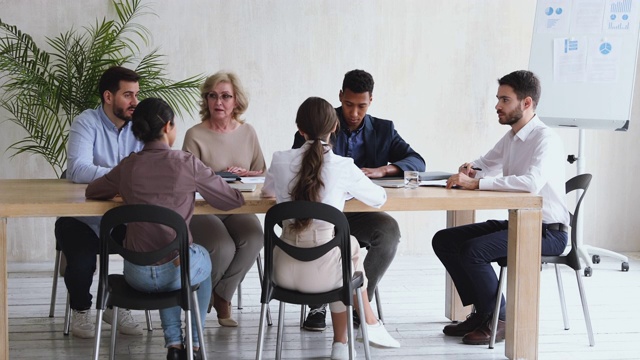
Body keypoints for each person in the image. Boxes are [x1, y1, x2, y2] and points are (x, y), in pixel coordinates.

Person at [86, 98, 245, 360]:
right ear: (168, 126)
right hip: (176, 272)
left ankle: (173, 344)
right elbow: (230, 201)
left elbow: (94, 190)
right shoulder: (186, 163)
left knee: (176, 258)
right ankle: (193, 344)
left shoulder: (129, 165)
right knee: (196, 259)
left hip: (135, 273)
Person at [432, 70, 569, 346]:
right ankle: (484, 312)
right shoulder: (511, 138)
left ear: (526, 103)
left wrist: (476, 183)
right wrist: (469, 170)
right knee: (445, 240)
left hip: (547, 232)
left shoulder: (546, 139)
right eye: (498, 99)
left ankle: (500, 318)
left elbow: (531, 183)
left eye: (504, 100)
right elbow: (483, 163)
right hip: (520, 223)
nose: (497, 106)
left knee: (473, 251)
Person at [262, 97, 400, 359]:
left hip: (280, 273)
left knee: (342, 254)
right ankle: (358, 330)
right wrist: (344, 190)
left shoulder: (279, 160)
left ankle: (347, 341)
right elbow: (379, 198)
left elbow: (267, 191)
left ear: (299, 129)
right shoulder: (343, 166)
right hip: (327, 277)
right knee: (346, 253)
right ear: (334, 126)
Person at [293, 69, 425, 331]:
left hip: (361, 214)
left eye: (361, 106)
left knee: (389, 231)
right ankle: (317, 304)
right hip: (322, 216)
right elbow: (298, 161)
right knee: (318, 233)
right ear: (340, 96)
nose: (354, 113)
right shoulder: (318, 120)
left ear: (371, 101)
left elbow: (417, 161)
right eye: (349, 104)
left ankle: (359, 299)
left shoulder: (384, 130)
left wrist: (383, 170)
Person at [54, 66, 145, 339]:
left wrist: (117, 179)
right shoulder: (87, 122)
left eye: (137, 95)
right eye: (128, 95)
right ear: (108, 96)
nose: (135, 102)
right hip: (81, 218)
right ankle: (81, 309)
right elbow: (78, 170)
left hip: (122, 216)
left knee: (148, 245)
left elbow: (152, 167)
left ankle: (117, 305)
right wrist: (125, 177)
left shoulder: (140, 127)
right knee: (82, 263)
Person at [182, 71, 265, 327]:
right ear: (206, 100)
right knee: (223, 246)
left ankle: (221, 293)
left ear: (236, 101)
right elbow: (185, 180)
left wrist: (250, 174)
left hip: (237, 207)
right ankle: (204, 301)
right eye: (213, 96)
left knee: (255, 237)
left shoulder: (248, 132)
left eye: (225, 96)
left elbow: (261, 173)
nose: (219, 102)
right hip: (202, 209)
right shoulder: (194, 134)